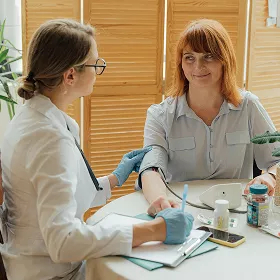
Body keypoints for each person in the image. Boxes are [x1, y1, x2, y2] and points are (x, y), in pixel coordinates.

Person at [0, 19, 194, 280]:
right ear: (70, 75)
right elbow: (63, 241)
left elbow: (48, 200)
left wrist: (112, 180)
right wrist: (154, 231)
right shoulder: (49, 139)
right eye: (96, 64)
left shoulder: (34, 117)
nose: (99, 70)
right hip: (51, 274)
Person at [137, 19, 280, 216]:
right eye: (189, 57)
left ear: (225, 60)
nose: (198, 66)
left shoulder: (249, 106)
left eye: (209, 56)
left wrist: (270, 177)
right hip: (181, 211)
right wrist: (160, 200)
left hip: (237, 213)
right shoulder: (160, 115)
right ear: (180, 63)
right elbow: (150, 169)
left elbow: (277, 159)